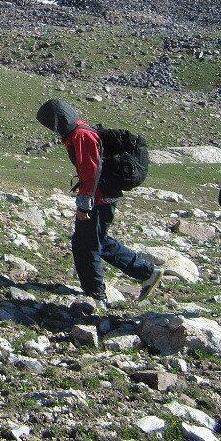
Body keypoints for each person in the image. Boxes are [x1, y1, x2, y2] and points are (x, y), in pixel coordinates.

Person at [36, 98, 163, 310]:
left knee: (85, 245)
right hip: (104, 195)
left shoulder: (81, 135)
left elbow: (91, 171)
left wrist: (85, 204)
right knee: (98, 240)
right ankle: (147, 272)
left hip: (98, 198)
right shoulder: (81, 130)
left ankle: (96, 296)